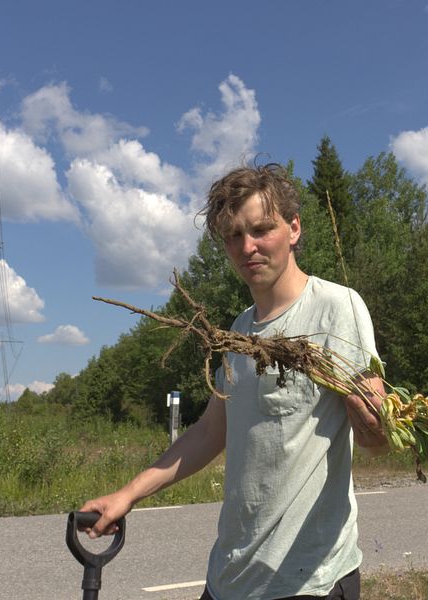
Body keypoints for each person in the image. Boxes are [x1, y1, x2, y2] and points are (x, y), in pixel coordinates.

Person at [80, 163, 386, 600]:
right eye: (232, 236)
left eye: (262, 230)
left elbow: (376, 438)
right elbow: (209, 433)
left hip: (307, 581)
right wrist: (126, 495)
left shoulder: (337, 308)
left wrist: (377, 425)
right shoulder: (237, 336)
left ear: (294, 228)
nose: (248, 247)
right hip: (230, 577)